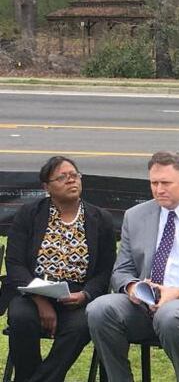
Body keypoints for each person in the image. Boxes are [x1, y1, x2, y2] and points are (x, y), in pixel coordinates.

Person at [86, 151, 179, 382]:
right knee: (99, 309)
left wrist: (178, 292)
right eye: (154, 183)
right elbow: (121, 270)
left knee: (171, 314)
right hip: (143, 304)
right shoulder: (135, 216)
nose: (159, 190)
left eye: (165, 183)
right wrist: (133, 288)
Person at [1, 156, 116, 382]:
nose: (71, 181)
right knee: (21, 318)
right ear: (47, 187)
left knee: (81, 326)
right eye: (62, 177)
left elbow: (105, 270)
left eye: (74, 175)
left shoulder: (99, 218)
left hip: (77, 296)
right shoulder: (30, 214)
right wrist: (39, 299)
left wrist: (85, 295)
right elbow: (14, 262)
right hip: (33, 291)